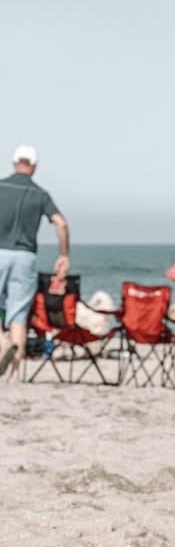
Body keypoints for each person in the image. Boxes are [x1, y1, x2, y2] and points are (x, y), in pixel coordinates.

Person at [0, 145, 69, 379]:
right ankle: (15, 376)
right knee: (19, 315)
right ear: (35, 166)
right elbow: (60, 223)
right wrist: (64, 255)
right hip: (26, 256)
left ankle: (2, 343)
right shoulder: (40, 194)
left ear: (13, 163)